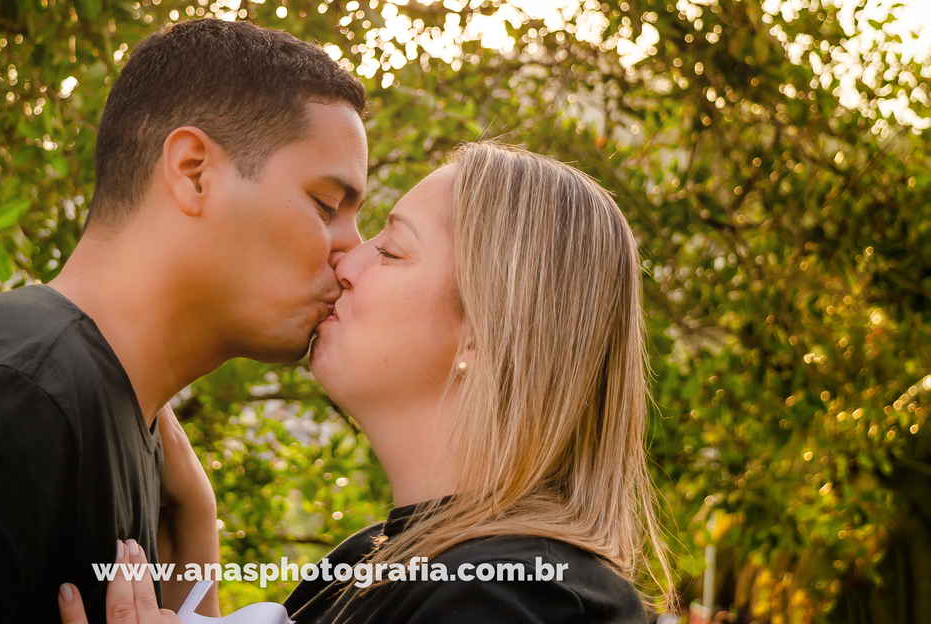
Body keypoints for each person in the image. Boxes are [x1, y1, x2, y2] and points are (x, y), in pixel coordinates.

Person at [0, 19, 369, 624]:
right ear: (193, 173)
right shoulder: (3, 401)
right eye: (325, 206)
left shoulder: (116, 427)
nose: (353, 254)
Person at [64, 142, 671, 624]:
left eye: (393, 250)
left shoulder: (510, 601)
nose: (347, 262)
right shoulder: (374, 562)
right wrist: (193, 526)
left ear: (484, 332)